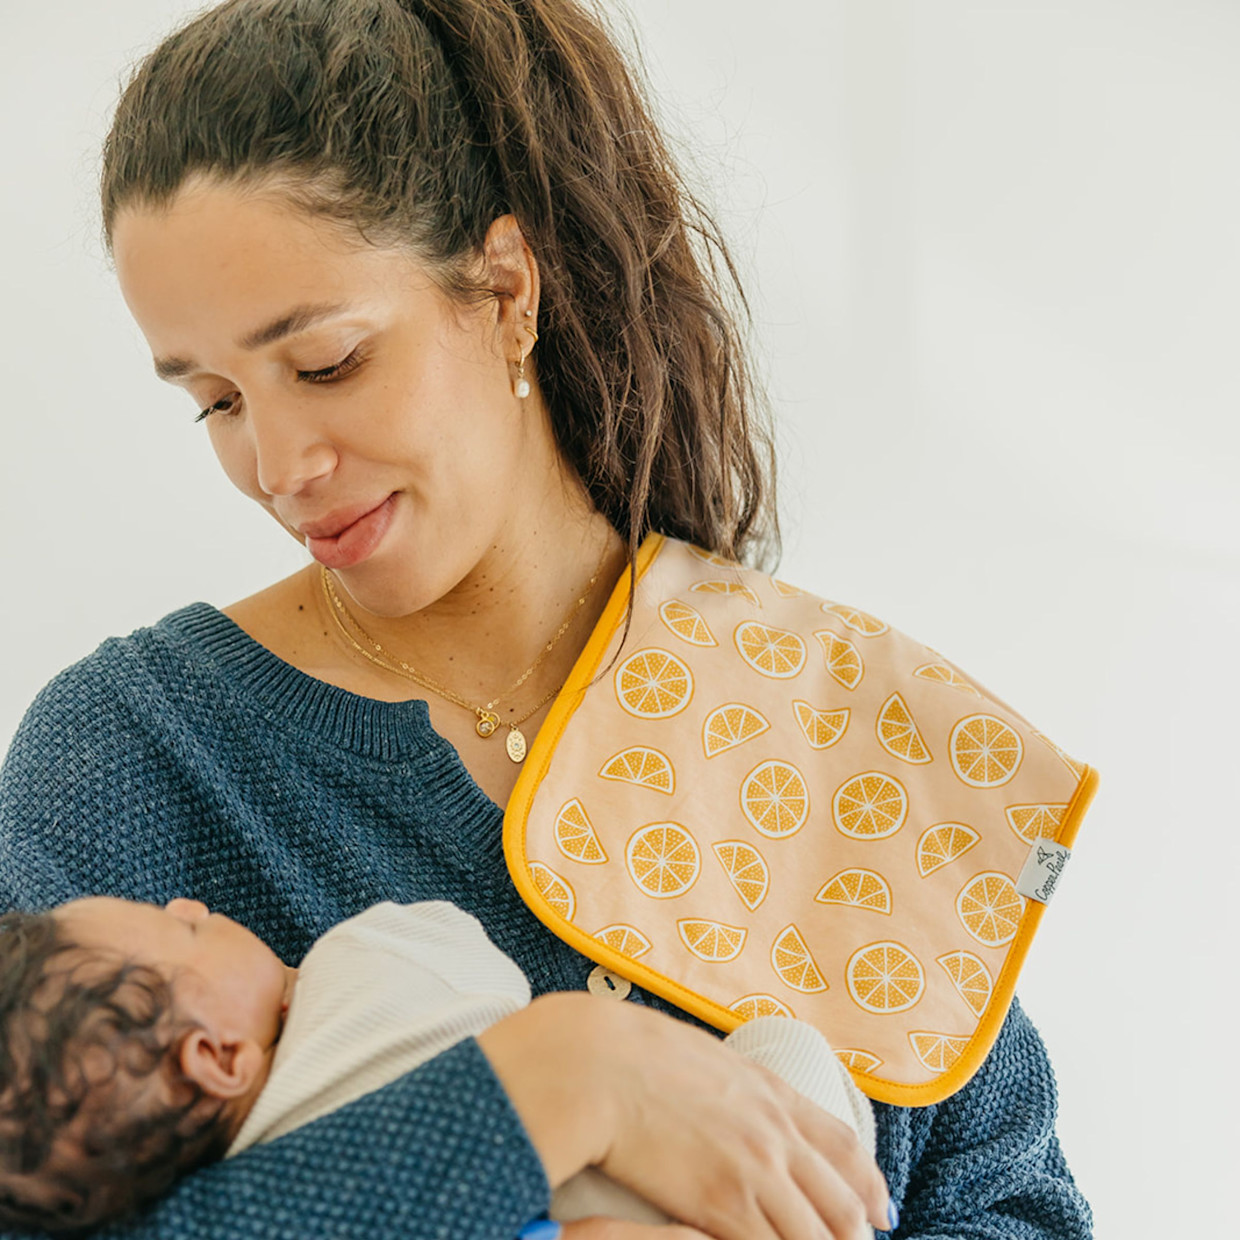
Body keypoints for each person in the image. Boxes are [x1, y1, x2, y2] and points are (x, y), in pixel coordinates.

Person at [0, 1, 1094, 1237]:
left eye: (325, 363)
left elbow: (1012, 1205)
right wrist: (545, 1092)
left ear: (506, 291)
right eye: (213, 401)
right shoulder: (137, 758)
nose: (276, 462)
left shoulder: (818, 728)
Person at [0, 895, 875, 1233]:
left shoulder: (251, 1176)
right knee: (786, 1044)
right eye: (185, 928)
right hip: (660, 1191)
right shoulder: (359, 969)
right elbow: (465, 953)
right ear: (218, 1056)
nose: (190, 900)